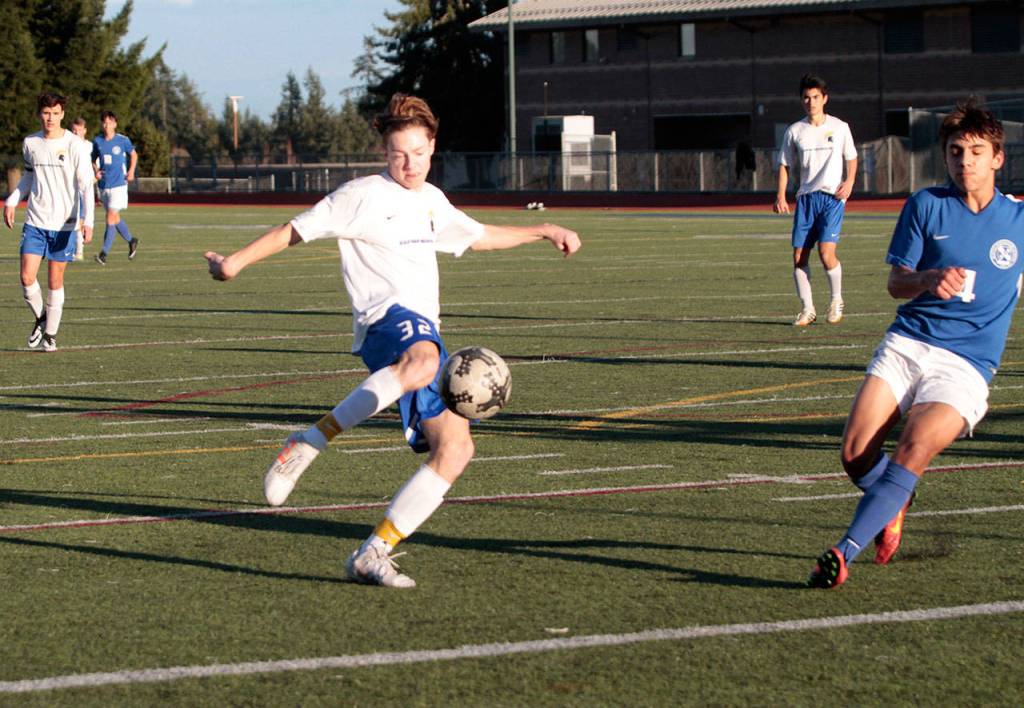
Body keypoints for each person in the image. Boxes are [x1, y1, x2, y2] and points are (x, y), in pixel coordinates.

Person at [205, 93, 581, 588]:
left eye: (419, 153)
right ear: (385, 152)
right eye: (399, 154)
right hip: (385, 320)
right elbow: (293, 231)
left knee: (455, 449)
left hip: (425, 330)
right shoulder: (361, 195)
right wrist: (233, 263)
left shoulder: (430, 200)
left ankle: (374, 551)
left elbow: (478, 235)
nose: (410, 164)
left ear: (433, 148)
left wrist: (543, 229)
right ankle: (310, 441)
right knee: (424, 359)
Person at [808, 98, 1024, 589]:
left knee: (912, 448)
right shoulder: (926, 206)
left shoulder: (1019, 221)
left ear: (997, 158)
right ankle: (894, 500)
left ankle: (843, 553)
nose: (964, 161)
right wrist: (928, 278)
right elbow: (896, 284)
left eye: (974, 151)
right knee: (855, 454)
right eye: (954, 151)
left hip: (967, 366)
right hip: (909, 345)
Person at [3, 93, 94, 352]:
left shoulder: (76, 145)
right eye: (45, 113)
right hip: (35, 220)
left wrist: (88, 221)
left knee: (55, 281)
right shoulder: (31, 142)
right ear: (39, 114)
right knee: (26, 276)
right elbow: (28, 179)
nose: (50, 118)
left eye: (55, 113)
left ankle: (50, 335)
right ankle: (42, 318)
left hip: (64, 224)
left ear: (62, 114)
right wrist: (11, 201)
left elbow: (86, 186)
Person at [774, 74, 857, 326]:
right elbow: (785, 164)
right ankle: (808, 309)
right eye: (806, 98)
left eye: (816, 97)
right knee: (799, 257)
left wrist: (850, 181)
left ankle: (836, 300)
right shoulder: (795, 131)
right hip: (806, 199)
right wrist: (780, 194)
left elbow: (851, 157)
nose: (811, 102)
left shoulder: (840, 127)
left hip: (832, 199)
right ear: (802, 101)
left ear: (825, 99)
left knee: (826, 253)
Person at [91, 109, 139, 264]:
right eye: (104, 122)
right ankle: (132, 241)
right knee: (115, 218)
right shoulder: (97, 141)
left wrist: (131, 171)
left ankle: (103, 253)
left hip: (119, 185)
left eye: (110, 122)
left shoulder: (122, 140)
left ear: (115, 124)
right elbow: (92, 159)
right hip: (104, 185)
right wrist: (96, 171)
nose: (106, 125)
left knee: (110, 216)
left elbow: (134, 154)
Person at [69, 116, 90, 261]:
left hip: (84, 189)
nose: (76, 133)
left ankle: (79, 251)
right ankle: (69, 251)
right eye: (74, 130)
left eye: (79, 130)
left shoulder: (89, 146)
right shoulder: (67, 145)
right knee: (69, 220)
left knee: (80, 221)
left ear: (85, 131)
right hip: (69, 189)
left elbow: (96, 166)